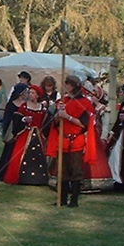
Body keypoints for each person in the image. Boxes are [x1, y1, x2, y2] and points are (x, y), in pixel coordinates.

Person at [46, 75, 95, 207]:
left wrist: (67, 116)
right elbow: (55, 122)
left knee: (76, 172)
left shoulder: (84, 103)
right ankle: (61, 200)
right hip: (63, 141)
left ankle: (73, 201)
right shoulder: (63, 101)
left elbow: (83, 124)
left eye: (68, 84)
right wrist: (58, 114)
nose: (65, 86)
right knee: (62, 172)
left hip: (76, 141)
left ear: (74, 86)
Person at [0, 86, 49, 185]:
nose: (30, 95)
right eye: (30, 93)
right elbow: (16, 118)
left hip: (37, 136)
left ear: (37, 95)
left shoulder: (42, 108)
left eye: (33, 93)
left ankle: (37, 179)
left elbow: (45, 123)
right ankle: (19, 177)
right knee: (18, 156)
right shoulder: (24, 106)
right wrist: (24, 119)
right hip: (25, 133)